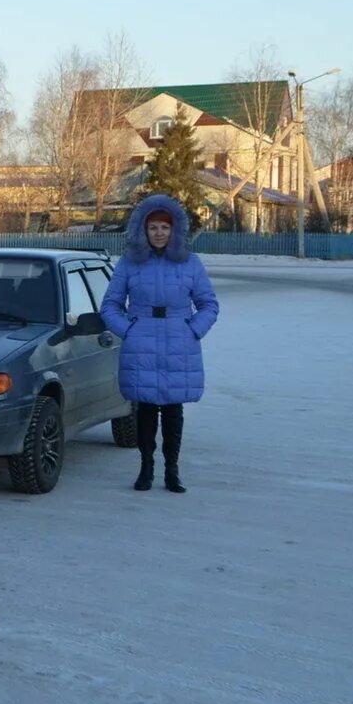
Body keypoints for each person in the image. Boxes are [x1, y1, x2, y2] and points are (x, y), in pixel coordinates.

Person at [99, 194, 219, 493]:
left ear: (174, 229)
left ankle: (172, 471)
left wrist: (193, 330)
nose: (159, 233)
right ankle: (146, 468)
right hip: (142, 343)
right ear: (143, 229)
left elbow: (208, 304)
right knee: (146, 410)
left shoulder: (190, 263)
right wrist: (129, 330)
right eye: (153, 227)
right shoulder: (129, 263)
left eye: (165, 227)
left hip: (180, 342)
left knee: (174, 412)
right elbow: (110, 305)